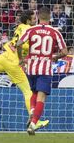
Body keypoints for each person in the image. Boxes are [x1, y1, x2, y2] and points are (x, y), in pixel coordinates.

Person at [17, 7, 68, 135]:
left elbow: (18, 44)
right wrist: (56, 57)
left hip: (31, 67)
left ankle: (33, 110)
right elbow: (65, 52)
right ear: (50, 17)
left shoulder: (31, 30)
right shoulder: (55, 32)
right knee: (41, 96)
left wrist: (21, 59)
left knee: (33, 92)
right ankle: (33, 124)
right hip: (45, 68)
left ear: (38, 17)